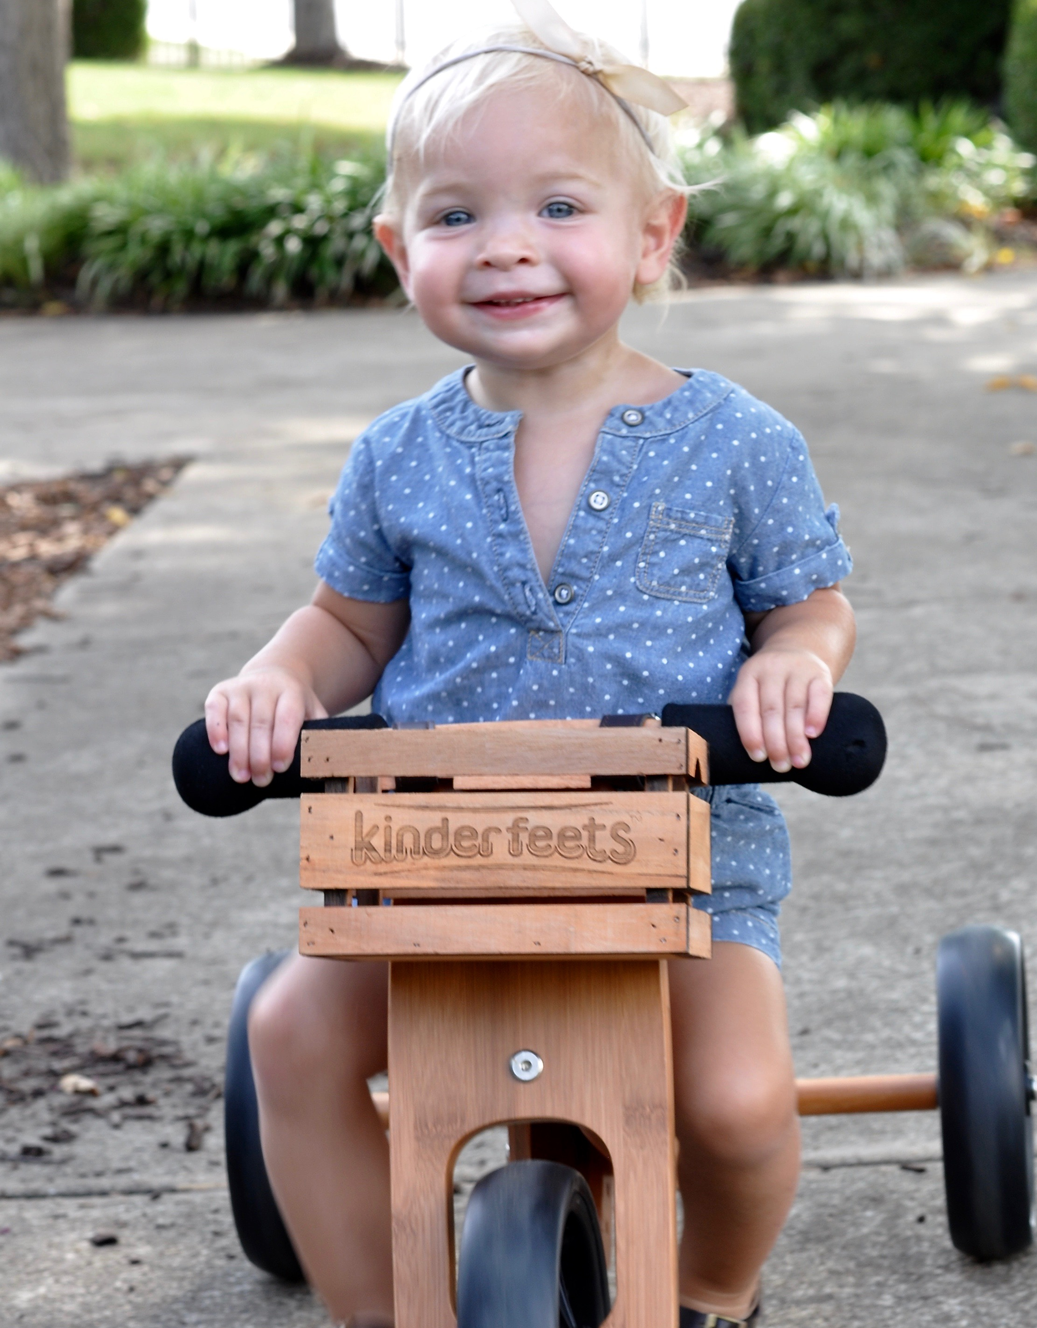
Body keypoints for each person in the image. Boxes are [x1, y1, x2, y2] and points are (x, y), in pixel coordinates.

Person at [203, 4, 855, 1325]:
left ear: (653, 234)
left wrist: (795, 663)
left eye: (559, 207)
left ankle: (714, 1289)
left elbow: (808, 604)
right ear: (402, 250)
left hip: (679, 871)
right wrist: (280, 677)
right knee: (289, 1030)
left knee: (735, 1104)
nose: (505, 245)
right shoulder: (397, 454)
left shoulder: (738, 441)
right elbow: (349, 626)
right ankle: (381, 1304)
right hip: (437, 868)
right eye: (457, 216)